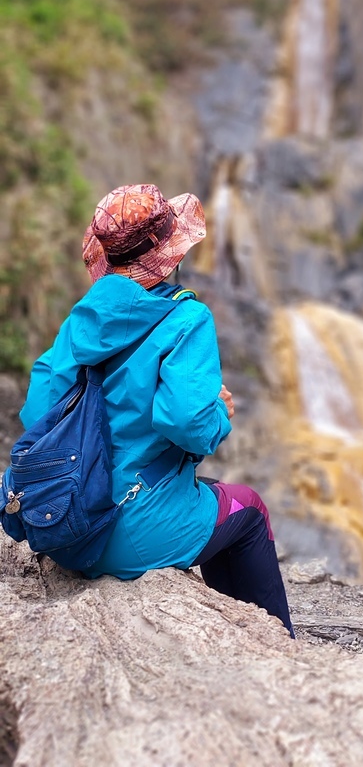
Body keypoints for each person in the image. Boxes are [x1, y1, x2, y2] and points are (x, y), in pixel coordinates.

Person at [20, 183, 294, 637]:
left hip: (62, 523)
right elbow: (186, 422)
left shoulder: (81, 321)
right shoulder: (186, 319)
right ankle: (278, 643)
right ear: (171, 251)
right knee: (247, 508)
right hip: (122, 532)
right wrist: (218, 412)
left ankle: (232, 628)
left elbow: (36, 412)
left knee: (205, 493)